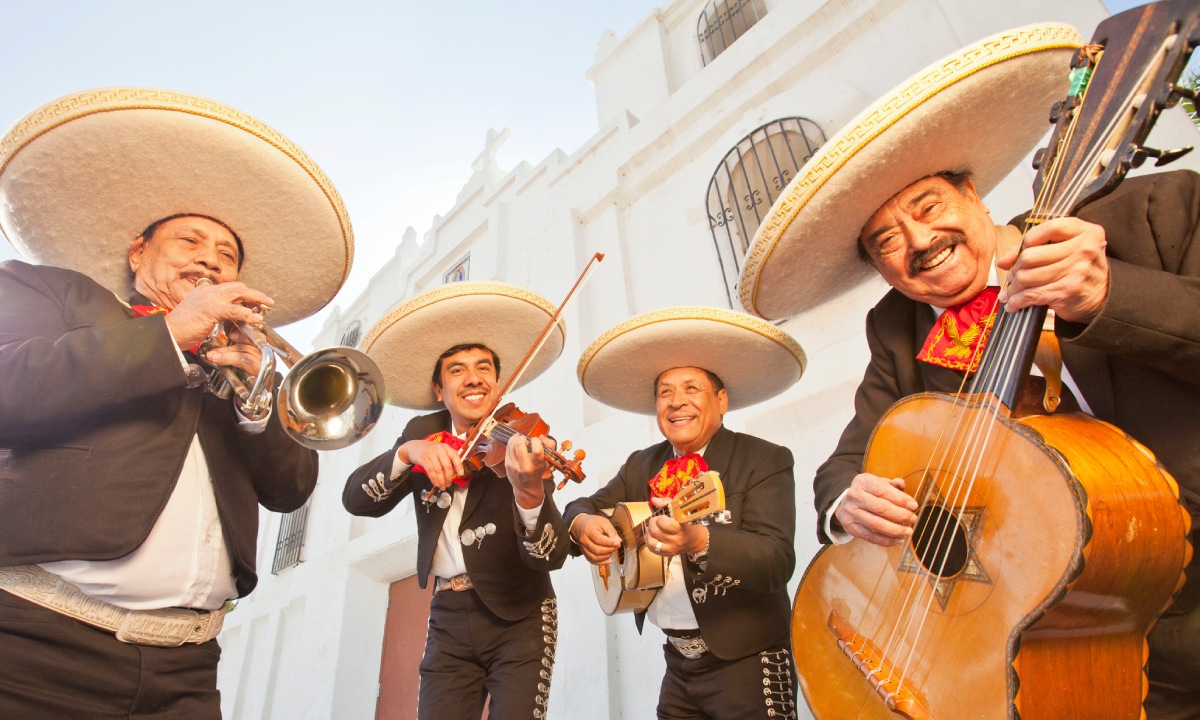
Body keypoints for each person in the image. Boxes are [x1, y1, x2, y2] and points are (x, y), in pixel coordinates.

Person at [739, 23, 1200, 720]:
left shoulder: (1153, 215)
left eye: (927, 208)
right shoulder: (898, 329)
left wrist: (1112, 298)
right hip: (1052, 643)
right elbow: (845, 464)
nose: (918, 242)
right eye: (886, 240)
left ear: (974, 193)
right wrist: (846, 505)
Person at [0, 88, 353, 718]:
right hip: (32, 648)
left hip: (187, 669)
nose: (210, 261)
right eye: (190, 242)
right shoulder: (54, 292)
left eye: (227, 257)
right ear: (139, 253)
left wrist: (257, 400)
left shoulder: (247, 363)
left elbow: (290, 490)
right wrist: (169, 335)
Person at [564, 306, 807, 720]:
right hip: (677, 666)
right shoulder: (641, 465)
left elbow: (777, 561)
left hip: (749, 660)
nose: (677, 402)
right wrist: (583, 524)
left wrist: (699, 540)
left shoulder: (763, 459)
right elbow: (582, 506)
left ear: (721, 400)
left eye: (692, 388)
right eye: (665, 392)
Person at [343, 281, 571, 720]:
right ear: (438, 388)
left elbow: (552, 555)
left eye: (484, 368)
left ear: (498, 384)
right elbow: (356, 500)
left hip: (520, 613)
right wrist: (408, 455)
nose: (473, 378)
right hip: (448, 614)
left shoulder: (521, 443)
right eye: (457, 369)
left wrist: (529, 492)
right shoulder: (419, 434)